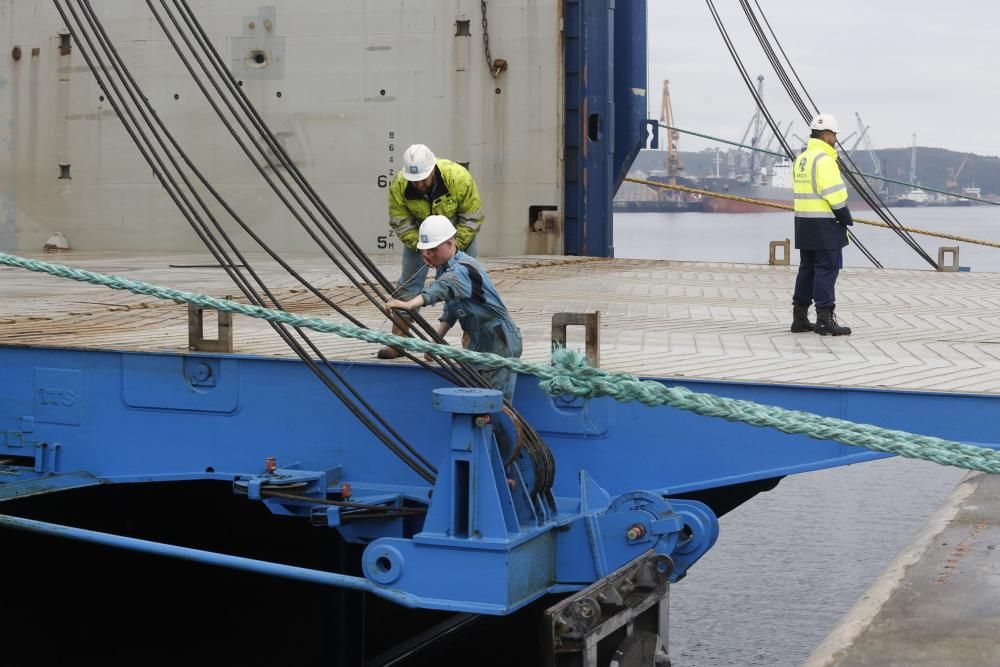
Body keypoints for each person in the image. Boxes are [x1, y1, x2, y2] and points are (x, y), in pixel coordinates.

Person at [384, 216, 522, 401]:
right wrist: (436, 341)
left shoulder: (463, 269)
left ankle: (504, 430)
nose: (427, 255)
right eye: (423, 251)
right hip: (477, 339)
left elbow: (441, 288)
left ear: (450, 244)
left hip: (498, 339)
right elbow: (451, 311)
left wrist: (407, 304)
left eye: (433, 249)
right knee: (475, 396)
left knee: (494, 402)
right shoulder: (444, 269)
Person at [378, 144, 486, 359]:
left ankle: (472, 344)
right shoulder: (400, 185)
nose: (418, 184)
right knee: (408, 285)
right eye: (414, 180)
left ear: (433, 170)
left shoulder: (459, 178)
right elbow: (400, 222)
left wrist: (451, 248)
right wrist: (423, 249)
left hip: (456, 237)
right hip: (420, 239)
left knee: (467, 286)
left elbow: (472, 217)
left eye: (423, 179)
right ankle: (399, 341)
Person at [790, 113, 853, 336]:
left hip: (803, 224)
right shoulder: (825, 160)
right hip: (825, 225)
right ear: (826, 135)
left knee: (807, 270)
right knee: (826, 270)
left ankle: (799, 318)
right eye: (834, 135)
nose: (835, 139)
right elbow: (834, 195)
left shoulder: (802, 159)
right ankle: (825, 319)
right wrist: (845, 216)